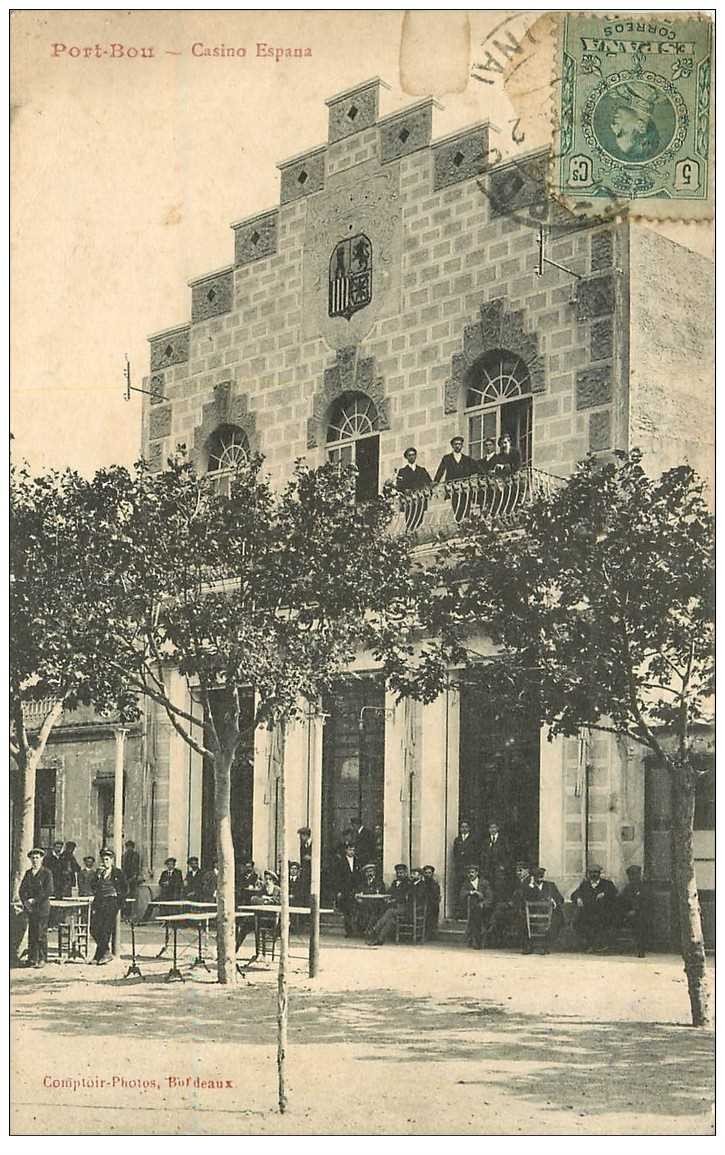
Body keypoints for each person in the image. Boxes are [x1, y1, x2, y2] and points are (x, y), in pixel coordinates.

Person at [90, 848, 128, 964]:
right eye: (103, 860)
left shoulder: (118, 872)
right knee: (94, 928)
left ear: (112, 860)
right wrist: (97, 876)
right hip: (100, 902)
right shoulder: (99, 872)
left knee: (105, 929)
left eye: (107, 859)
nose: (105, 862)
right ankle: (105, 952)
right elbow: (93, 886)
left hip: (111, 902)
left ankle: (100, 955)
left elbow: (125, 888)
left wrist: (119, 901)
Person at [19, 848, 54, 968]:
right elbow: (22, 890)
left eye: (37, 858)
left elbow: (49, 890)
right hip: (31, 909)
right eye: (33, 858)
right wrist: (25, 902)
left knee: (41, 933)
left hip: (42, 908)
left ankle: (42, 958)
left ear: (42, 859)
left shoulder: (47, 873)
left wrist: (35, 900)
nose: (35, 860)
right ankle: (32, 958)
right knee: (32, 933)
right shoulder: (28, 873)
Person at [571, 864, 618, 952]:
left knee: (601, 923)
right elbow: (574, 894)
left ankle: (599, 945)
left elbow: (614, 893)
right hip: (587, 913)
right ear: (589, 874)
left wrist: (605, 894)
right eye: (591, 872)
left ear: (599, 873)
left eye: (596, 872)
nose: (593, 874)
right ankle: (590, 944)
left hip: (603, 913)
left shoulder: (607, 884)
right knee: (578, 923)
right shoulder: (585, 884)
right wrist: (578, 898)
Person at [520, 867, 565, 954]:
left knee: (557, 920)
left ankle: (545, 945)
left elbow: (560, 899)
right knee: (523, 920)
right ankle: (529, 946)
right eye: (537, 877)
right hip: (533, 913)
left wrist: (553, 900)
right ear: (533, 877)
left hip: (548, 913)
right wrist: (531, 886)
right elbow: (524, 899)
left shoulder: (550, 886)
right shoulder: (528, 887)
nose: (539, 879)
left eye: (541, 876)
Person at [235, 869, 281, 953]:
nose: (267, 881)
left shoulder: (277, 890)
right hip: (259, 918)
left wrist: (267, 900)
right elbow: (254, 899)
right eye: (266, 879)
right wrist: (265, 900)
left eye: (270, 879)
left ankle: (264, 953)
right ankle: (234, 950)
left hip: (272, 919)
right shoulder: (263, 889)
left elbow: (279, 901)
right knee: (244, 926)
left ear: (274, 881)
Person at [434, 436, 477, 522]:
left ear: (462, 446)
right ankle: (459, 524)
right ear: (452, 446)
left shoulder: (467, 459)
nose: (457, 446)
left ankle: (465, 524)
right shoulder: (447, 458)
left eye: (459, 444)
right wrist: (436, 481)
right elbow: (441, 470)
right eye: (456, 444)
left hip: (465, 487)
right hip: (453, 487)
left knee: (466, 506)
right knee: (456, 506)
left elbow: (477, 468)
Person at [367, 864, 411, 946]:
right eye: (398, 873)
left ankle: (375, 929)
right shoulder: (394, 882)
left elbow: (405, 897)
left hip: (404, 907)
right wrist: (387, 898)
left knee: (389, 912)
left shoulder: (408, 883)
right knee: (390, 920)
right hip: (394, 907)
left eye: (401, 873)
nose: (399, 875)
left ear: (405, 873)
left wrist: (393, 900)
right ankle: (380, 939)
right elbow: (390, 892)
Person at [619, 865, 650, 958]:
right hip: (628, 914)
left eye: (635, 874)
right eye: (631, 875)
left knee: (640, 923)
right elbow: (622, 901)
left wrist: (635, 910)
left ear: (639, 875)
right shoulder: (627, 888)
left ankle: (641, 949)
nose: (633, 877)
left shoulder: (644, 887)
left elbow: (646, 902)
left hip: (642, 914)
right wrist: (625, 912)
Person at [460, 864, 494, 949]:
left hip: (484, 908)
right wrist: (472, 892)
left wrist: (483, 903)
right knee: (475, 917)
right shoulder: (466, 884)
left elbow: (490, 897)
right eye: (469, 873)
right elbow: (462, 894)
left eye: (472, 872)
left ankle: (479, 941)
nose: (470, 874)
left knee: (479, 918)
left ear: (477, 873)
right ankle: (476, 942)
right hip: (472, 908)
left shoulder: (484, 883)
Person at [452, 820, 480, 917]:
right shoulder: (457, 840)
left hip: (469, 868)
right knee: (459, 889)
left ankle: (468, 913)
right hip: (460, 869)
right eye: (462, 827)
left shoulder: (473, 840)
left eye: (466, 827)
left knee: (469, 889)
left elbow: (476, 853)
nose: (464, 829)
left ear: (469, 828)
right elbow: (455, 854)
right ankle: (459, 912)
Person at [334, 839, 361, 937]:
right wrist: (339, 891)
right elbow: (337, 878)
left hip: (354, 889)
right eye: (350, 850)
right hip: (344, 889)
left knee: (354, 909)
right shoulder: (340, 862)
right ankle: (349, 931)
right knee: (346, 910)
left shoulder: (357, 861)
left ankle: (356, 929)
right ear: (346, 850)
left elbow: (359, 876)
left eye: (353, 850)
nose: (352, 852)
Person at [480, 821, 511, 903]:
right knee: (489, 890)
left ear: (498, 828)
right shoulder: (486, 841)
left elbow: (508, 855)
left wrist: (504, 866)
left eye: (494, 827)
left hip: (499, 870)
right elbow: (483, 856)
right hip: (488, 870)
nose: (492, 829)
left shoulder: (503, 840)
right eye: (490, 828)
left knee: (499, 889)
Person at [354, 862, 386, 936]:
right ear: (365, 874)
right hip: (365, 902)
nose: (369, 873)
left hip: (376, 903)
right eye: (367, 872)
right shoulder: (363, 883)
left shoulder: (378, 882)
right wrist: (357, 896)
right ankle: (361, 929)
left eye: (371, 871)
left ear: (374, 872)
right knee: (358, 907)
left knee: (372, 909)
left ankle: (369, 930)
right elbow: (358, 891)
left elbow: (379, 892)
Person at [422, 865, 441, 940]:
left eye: (429, 873)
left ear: (432, 874)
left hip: (432, 905)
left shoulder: (434, 884)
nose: (427, 875)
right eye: (426, 873)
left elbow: (436, 895)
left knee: (431, 916)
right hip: (424, 904)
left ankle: (430, 934)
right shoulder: (422, 883)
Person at [298, 827, 313, 901]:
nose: (300, 838)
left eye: (301, 836)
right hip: (305, 872)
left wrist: (311, 858)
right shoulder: (302, 846)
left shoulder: (315, 845)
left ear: (306, 835)